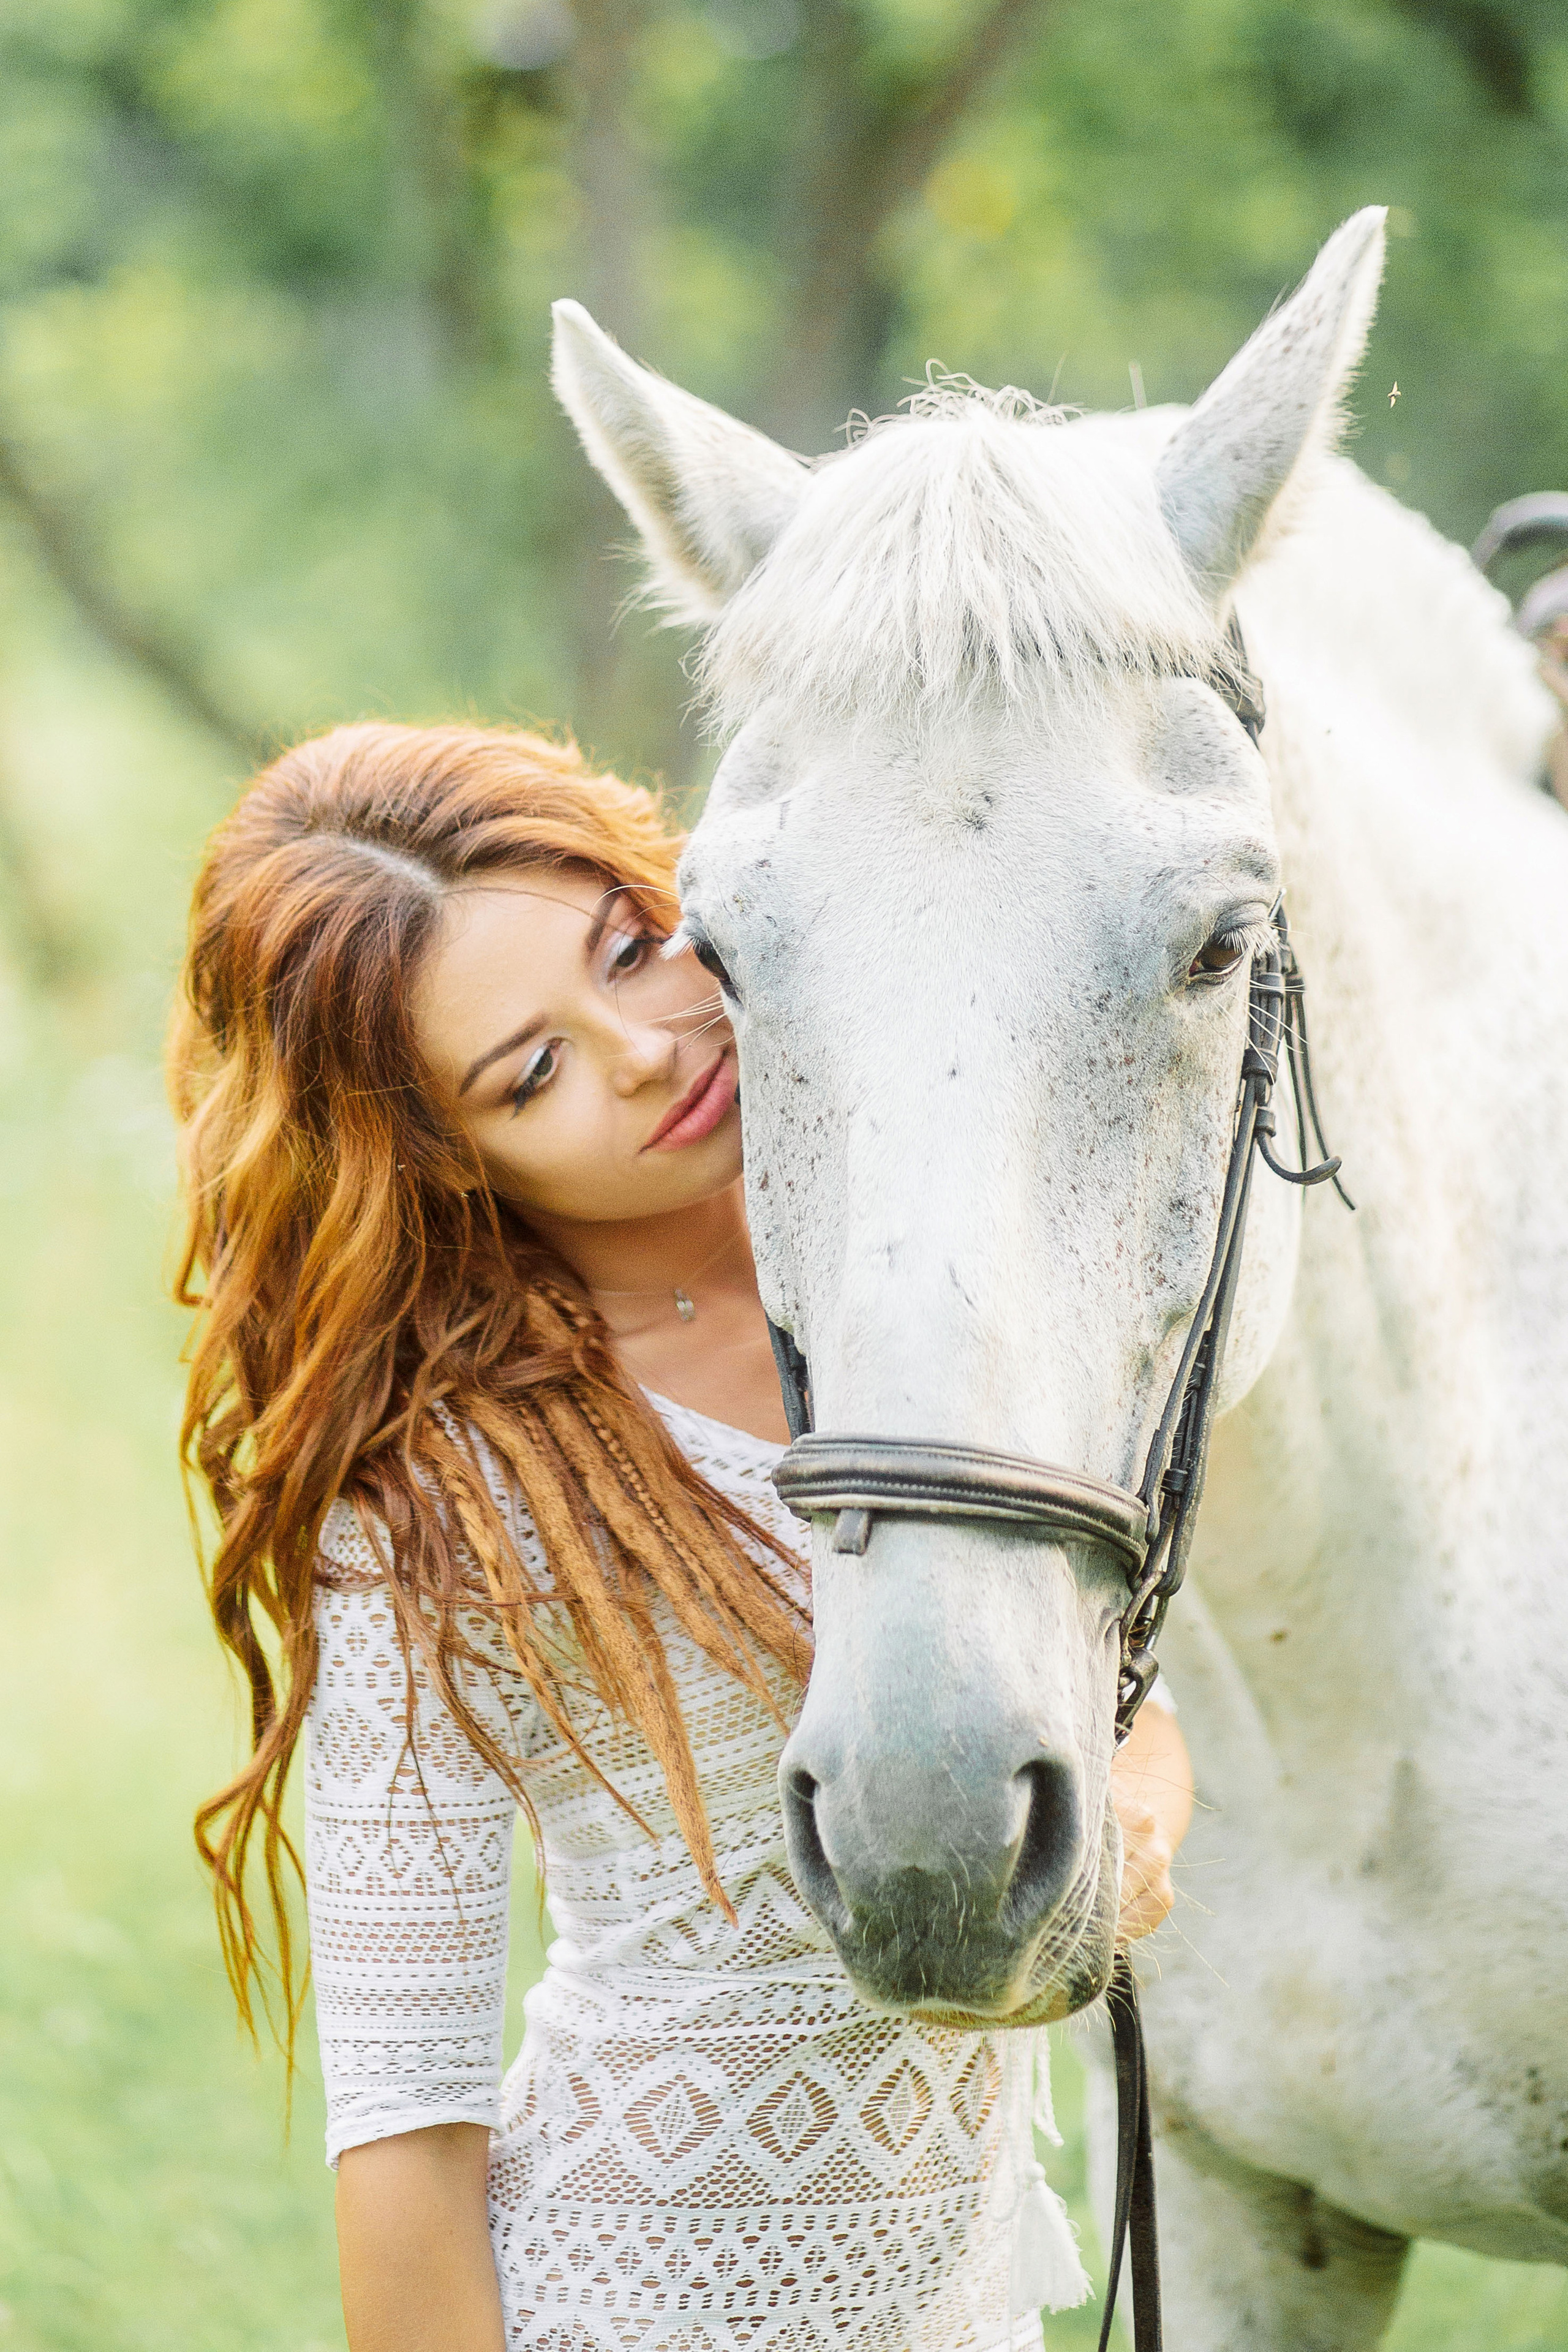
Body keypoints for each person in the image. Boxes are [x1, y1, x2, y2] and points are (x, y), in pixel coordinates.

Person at [172, 721, 1194, 2352]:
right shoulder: (450, 1497)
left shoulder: (902, 1280)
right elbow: (404, 2116)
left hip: (966, 2292)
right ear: (445, 1161)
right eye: (534, 1070)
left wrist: (1125, 1815)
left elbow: (1113, 1697)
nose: (641, 1051)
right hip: (645, 2298)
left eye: (631, 954)